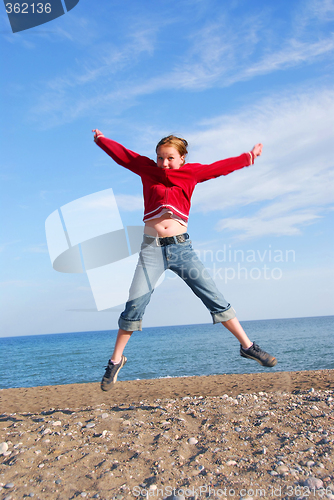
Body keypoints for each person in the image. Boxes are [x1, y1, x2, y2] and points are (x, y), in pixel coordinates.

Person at [92, 129, 277, 391]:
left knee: (213, 297)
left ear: (182, 159)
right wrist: (102, 140)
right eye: (159, 158)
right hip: (151, 250)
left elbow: (219, 168)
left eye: (169, 158)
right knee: (134, 305)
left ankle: (248, 347)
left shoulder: (191, 173)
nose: (164, 163)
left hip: (182, 249)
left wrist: (249, 156)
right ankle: (115, 361)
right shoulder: (148, 170)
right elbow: (125, 157)